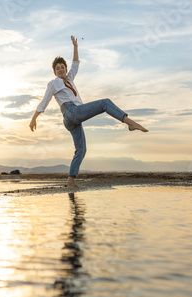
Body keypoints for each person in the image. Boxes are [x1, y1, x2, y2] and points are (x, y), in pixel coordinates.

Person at [29, 35, 148, 187]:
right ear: (54, 72)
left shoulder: (70, 78)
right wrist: (34, 118)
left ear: (65, 69)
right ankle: (130, 123)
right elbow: (44, 101)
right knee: (105, 103)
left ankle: (70, 181)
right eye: (57, 68)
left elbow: (76, 64)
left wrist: (75, 47)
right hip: (70, 112)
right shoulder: (54, 83)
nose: (60, 70)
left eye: (62, 67)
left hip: (72, 118)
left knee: (81, 149)